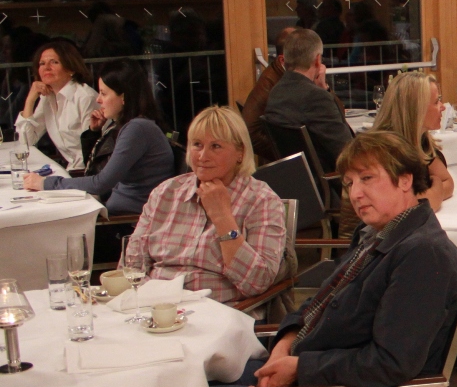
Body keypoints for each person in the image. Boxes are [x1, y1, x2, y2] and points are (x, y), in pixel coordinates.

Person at [209, 131, 457, 387]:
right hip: (319, 374)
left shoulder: (422, 254)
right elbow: (319, 302)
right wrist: (285, 343)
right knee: (198, 377)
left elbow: (391, 362)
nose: (355, 194)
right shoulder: (377, 234)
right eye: (349, 183)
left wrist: (299, 368)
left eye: (367, 178)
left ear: (405, 180)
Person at [124, 107, 286, 307]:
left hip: (219, 310)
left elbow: (258, 282)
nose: (202, 156)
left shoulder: (262, 201)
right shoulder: (165, 193)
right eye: (197, 145)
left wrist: (222, 218)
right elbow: (132, 265)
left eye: (216, 146)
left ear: (240, 153)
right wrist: (154, 300)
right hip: (157, 306)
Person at [24, 59, 174, 214]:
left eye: (103, 93)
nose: (98, 99)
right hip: (114, 208)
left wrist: (46, 183)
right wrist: (94, 132)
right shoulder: (128, 125)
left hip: (124, 219)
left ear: (123, 97)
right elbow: (95, 171)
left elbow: (100, 183)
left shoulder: (137, 129)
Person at [263, 29, 353, 174]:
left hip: (295, 178)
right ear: (317, 60)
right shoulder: (317, 97)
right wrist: (324, 90)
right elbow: (348, 151)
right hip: (328, 180)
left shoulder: (276, 91)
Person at [371, 71, 455, 211]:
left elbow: (448, 182)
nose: (443, 107)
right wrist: (435, 191)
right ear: (416, 109)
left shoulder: (421, 140)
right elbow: (404, 206)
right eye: (436, 102)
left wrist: (434, 191)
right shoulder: (384, 151)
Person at [15, 40, 98, 171]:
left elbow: (93, 149)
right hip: (71, 169)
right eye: (42, 63)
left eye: (54, 62)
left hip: (89, 171)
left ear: (71, 68)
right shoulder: (47, 97)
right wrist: (30, 100)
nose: (46, 67)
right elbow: (26, 142)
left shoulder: (85, 97)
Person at [242, 26, 299, 164]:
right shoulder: (274, 83)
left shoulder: (279, 74)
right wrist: (288, 154)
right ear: (283, 59)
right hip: (286, 163)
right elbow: (250, 133)